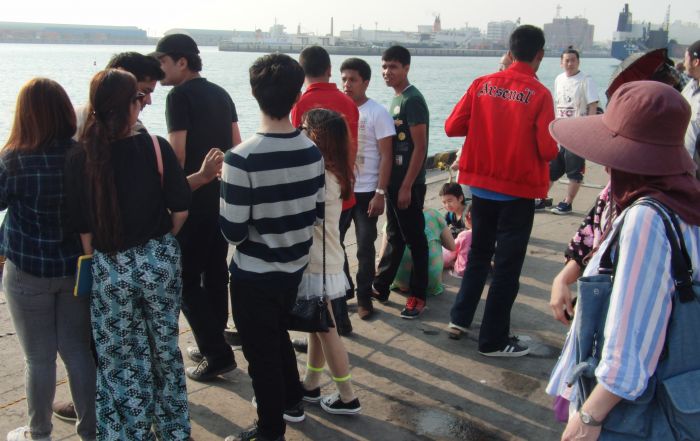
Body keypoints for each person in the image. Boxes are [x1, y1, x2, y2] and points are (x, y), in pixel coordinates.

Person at [547, 80, 700, 441]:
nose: (606, 169)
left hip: (631, 415)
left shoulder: (646, 219)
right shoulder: (684, 203)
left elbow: (629, 342)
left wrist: (589, 416)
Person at [65, 68, 192, 440]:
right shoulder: (155, 146)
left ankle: (127, 432)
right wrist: (158, 243)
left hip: (110, 265)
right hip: (158, 261)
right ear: (131, 105)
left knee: (118, 358)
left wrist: (103, 261)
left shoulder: (79, 156)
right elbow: (181, 208)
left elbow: (82, 228)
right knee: (164, 350)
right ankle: (173, 431)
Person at [220, 53, 325, 441]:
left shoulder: (240, 159)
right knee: (277, 335)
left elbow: (232, 232)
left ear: (254, 94)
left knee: (260, 355)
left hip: (254, 275)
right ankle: (292, 399)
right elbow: (316, 213)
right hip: (293, 266)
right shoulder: (312, 151)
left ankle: (269, 430)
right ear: (297, 97)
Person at [444, 25, 558, 356]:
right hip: (516, 192)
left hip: (481, 188)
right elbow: (548, 150)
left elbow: (452, 126)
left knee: (478, 255)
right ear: (539, 55)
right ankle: (493, 340)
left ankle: (459, 319)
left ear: (509, 52)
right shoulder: (540, 94)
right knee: (506, 267)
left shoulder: (482, 84)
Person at [1, 78, 96, 441]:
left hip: (27, 270)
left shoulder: (13, 159)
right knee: (77, 351)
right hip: (75, 268)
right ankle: (91, 429)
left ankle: (39, 432)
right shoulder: (82, 156)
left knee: (38, 358)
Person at [152, 33, 240, 381]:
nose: (158, 69)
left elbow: (177, 155)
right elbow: (236, 146)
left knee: (185, 280)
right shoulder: (221, 93)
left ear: (181, 61)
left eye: (161, 61)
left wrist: (168, 197)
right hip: (221, 199)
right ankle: (212, 341)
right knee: (216, 273)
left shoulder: (178, 96)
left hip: (193, 199)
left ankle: (216, 353)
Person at [297, 108, 362, 416]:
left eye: (303, 128)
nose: (299, 132)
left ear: (316, 135)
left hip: (316, 262)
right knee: (317, 325)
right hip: (328, 258)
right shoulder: (335, 170)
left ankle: (348, 396)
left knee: (327, 329)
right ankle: (311, 383)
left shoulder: (318, 174)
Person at [291, 45, 359, 334]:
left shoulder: (301, 105)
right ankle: (337, 317)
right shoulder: (347, 103)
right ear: (330, 70)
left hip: (318, 196)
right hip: (343, 190)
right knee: (335, 248)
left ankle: (331, 320)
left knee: (324, 259)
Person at [372, 45, 430, 319]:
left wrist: (407, 185)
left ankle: (418, 296)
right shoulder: (397, 99)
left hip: (409, 184)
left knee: (416, 240)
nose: (387, 72)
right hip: (395, 182)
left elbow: (420, 147)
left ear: (406, 68)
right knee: (395, 234)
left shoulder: (412, 100)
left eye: (393, 67)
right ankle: (381, 285)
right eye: (384, 66)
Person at [339, 57, 395, 320]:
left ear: (365, 82)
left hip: (367, 192)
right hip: (341, 190)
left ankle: (364, 298)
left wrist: (380, 193)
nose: (347, 85)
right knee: (334, 244)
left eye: (353, 80)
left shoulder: (377, 112)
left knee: (364, 246)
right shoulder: (337, 111)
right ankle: (344, 291)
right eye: (343, 79)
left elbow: (387, 155)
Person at [539, 46, 599, 215]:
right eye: (567, 60)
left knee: (574, 170)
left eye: (573, 60)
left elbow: (592, 105)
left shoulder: (586, 80)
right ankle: (541, 197)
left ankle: (567, 202)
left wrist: (589, 128)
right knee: (552, 168)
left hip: (577, 132)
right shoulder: (559, 79)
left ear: (578, 62)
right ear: (561, 63)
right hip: (560, 132)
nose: (570, 63)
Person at [75, 51, 164, 139]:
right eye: (144, 91)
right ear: (121, 79)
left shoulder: (73, 122)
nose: (149, 101)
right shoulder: (138, 136)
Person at [387, 207, 455, 298]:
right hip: (430, 280)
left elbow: (385, 251)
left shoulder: (394, 213)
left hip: (399, 278)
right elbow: (451, 246)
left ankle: (405, 284)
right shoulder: (433, 214)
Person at [682, 40, 700, 175]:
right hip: (685, 168)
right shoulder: (690, 87)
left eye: (686, 59)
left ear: (696, 62)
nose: (684, 64)